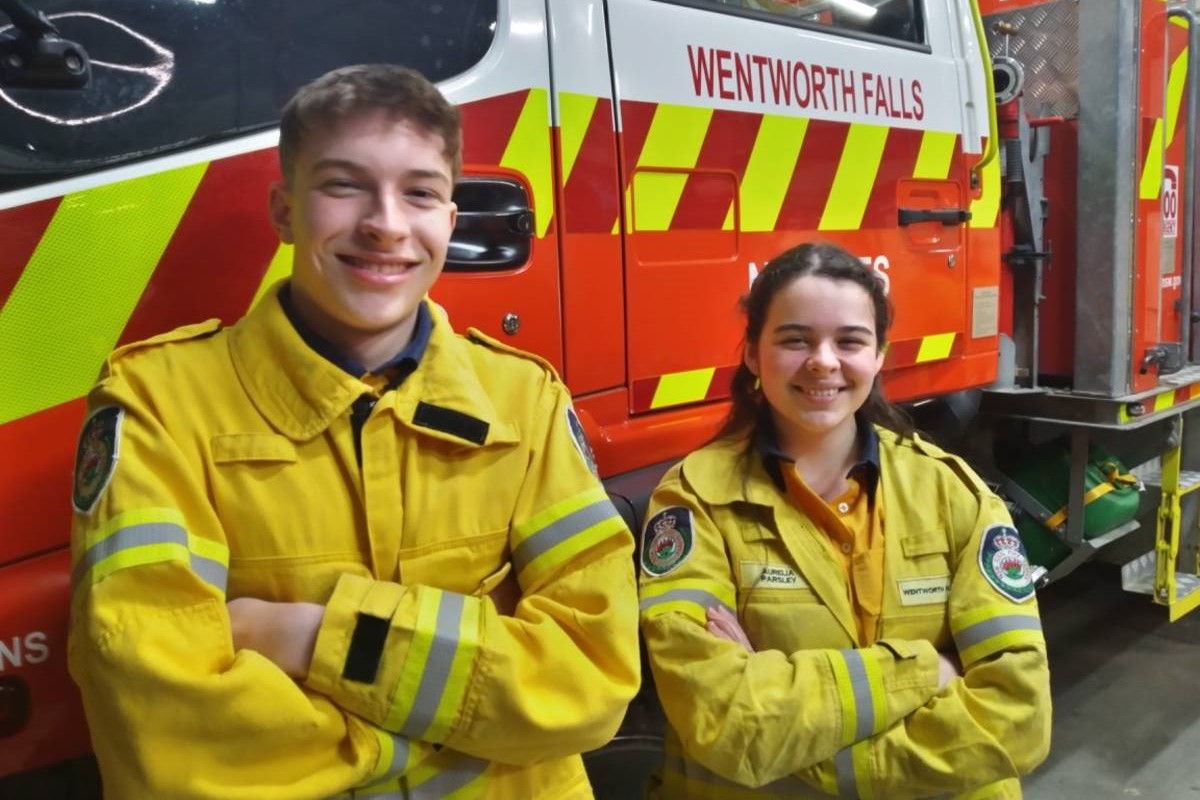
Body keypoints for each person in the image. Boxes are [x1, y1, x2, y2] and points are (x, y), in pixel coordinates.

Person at [68, 64, 640, 799]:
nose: (387, 224)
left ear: (450, 223)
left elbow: (594, 674)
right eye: (344, 185)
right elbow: (157, 716)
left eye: (421, 193)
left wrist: (307, 635)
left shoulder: (524, 401)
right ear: (284, 209)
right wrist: (456, 725)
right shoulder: (158, 403)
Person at [637, 242, 1050, 799]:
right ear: (754, 355)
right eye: (795, 339)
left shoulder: (955, 495)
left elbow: (1019, 717)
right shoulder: (697, 502)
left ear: (879, 355)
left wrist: (791, 723)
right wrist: (926, 671)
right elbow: (728, 724)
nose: (823, 361)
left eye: (850, 341)